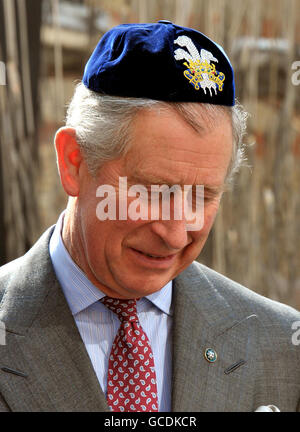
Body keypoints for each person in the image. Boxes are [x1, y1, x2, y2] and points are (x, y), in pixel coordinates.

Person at [0, 21, 299, 413]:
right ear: (74, 162)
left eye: (203, 196)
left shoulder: (280, 349)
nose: (176, 234)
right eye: (151, 192)